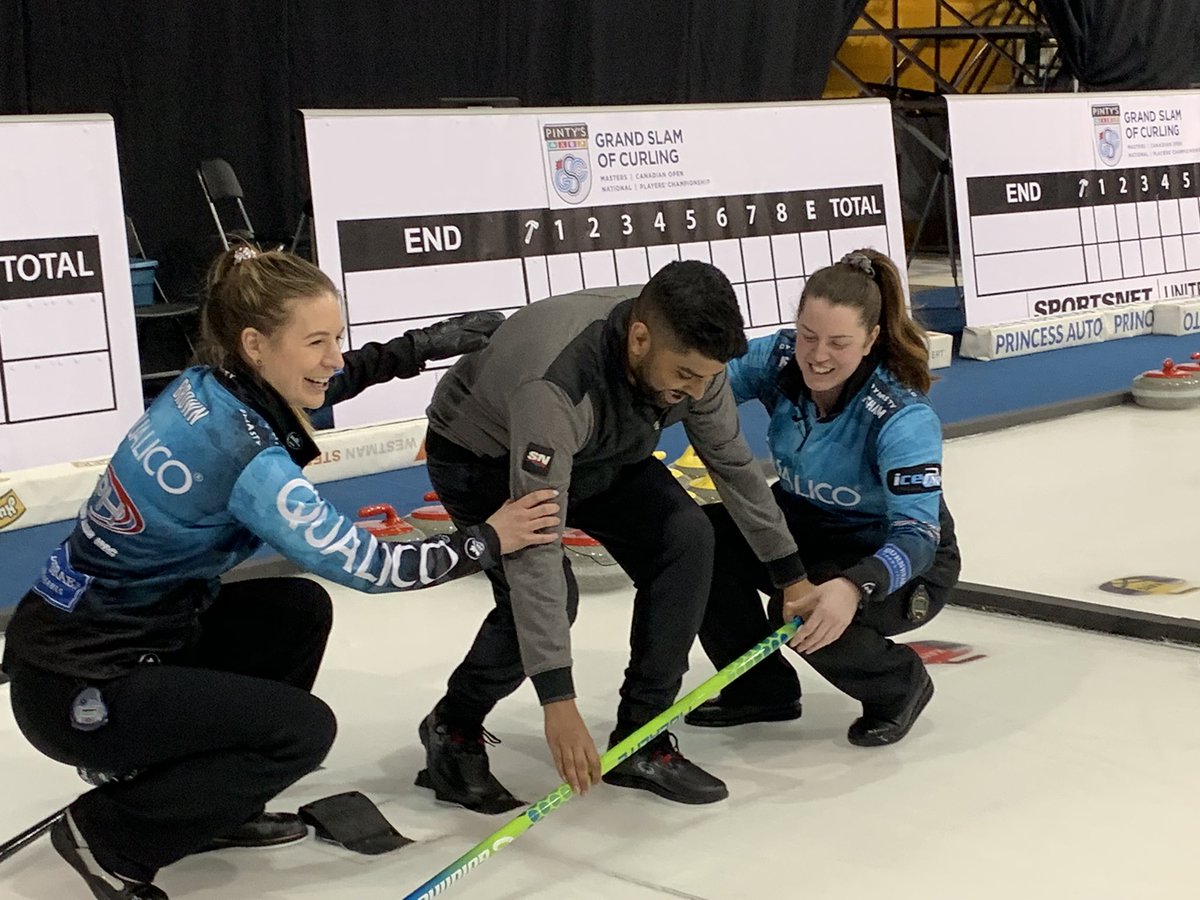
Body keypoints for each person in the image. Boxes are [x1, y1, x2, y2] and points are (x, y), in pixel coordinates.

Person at [1, 246, 560, 900]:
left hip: (98, 642)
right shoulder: (244, 457)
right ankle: (109, 840)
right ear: (256, 344)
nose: (332, 357)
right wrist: (488, 538)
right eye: (317, 341)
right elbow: (372, 564)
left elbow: (318, 384)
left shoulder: (205, 385)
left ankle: (204, 807)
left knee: (295, 612)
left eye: (338, 339)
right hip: (78, 688)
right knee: (302, 730)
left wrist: (417, 348)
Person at [417, 260, 811, 815]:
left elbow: (729, 459)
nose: (696, 392)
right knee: (547, 594)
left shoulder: (694, 353)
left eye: (707, 378)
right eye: (684, 376)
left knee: (689, 539)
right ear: (639, 339)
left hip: (602, 447)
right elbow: (536, 545)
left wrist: (789, 574)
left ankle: (641, 739)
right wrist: (558, 698)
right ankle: (453, 725)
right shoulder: (556, 387)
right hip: (486, 455)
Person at [684, 249, 961, 747]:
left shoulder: (901, 417)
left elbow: (919, 536)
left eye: (839, 342)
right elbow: (702, 381)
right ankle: (760, 690)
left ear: (871, 339)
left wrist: (856, 586)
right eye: (809, 336)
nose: (817, 355)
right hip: (804, 525)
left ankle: (899, 685)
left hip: (889, 554)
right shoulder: (780, 358)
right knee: (697, 541)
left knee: (802, 609)